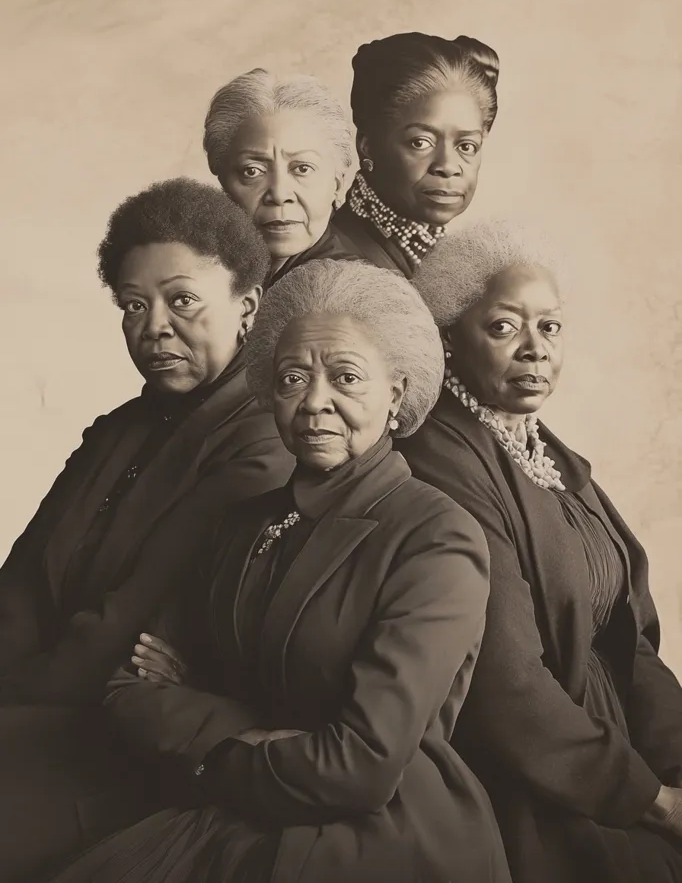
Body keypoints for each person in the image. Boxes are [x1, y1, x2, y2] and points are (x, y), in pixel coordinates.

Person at [48, 259, 512, 883]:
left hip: (380, 838)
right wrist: (263, 730)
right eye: (293, 377)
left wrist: (211, 749)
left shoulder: (435, 536)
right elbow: (130, 694)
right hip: (239, 815)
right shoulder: (237, 523)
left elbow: (361, 767)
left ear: (396, 394)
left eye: (346, 377)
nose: (315, 402)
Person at [0, 178, 294, 882]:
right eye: (134, 305)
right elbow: (23, 580)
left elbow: (129, 628)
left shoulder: (265, 442)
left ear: (247, 307)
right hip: (34, 704)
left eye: (181, 299)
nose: (153, 325)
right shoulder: (116, 431)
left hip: (117, 743)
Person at [398, 219, 682, 883]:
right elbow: (506, 686)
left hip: (614, 749)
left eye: (549, 328)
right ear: (448, 340)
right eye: (503, 328)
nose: (534, 349)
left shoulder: (545, 452)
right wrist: (655, 802)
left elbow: (628, 641)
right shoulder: (440, 460)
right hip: (532, 773)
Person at [332, 31, 499, 277]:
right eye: (421, 142)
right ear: (367, 145)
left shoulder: (449, 264)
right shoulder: (337, 266)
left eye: (466, 146)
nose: (448, 166)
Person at [204, 68, 357, 285]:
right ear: (222, 181)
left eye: (302, 169)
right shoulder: (212, 270)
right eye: (252, 171)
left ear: (337, 183)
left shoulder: (349, 290)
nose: (278, 194)